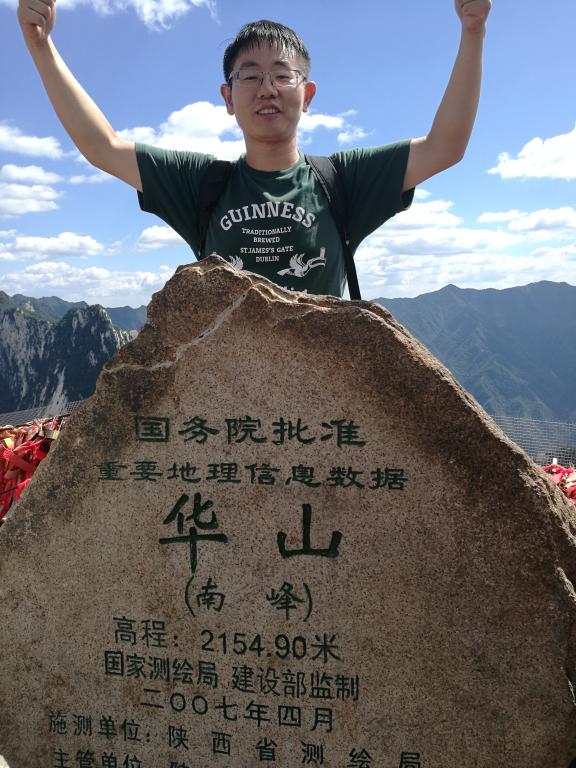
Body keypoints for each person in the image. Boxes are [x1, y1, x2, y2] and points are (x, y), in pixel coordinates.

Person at [17, 1, 492, 298]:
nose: (267, 88)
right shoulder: (202, 183)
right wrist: (40, 46)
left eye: (282, 74)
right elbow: (103, 146)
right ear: (228, 98)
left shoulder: (342, 180)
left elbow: (445, 147)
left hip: (321, 399)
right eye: (249, 75)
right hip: (227, 405)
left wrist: (473, 31)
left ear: (307, 94)